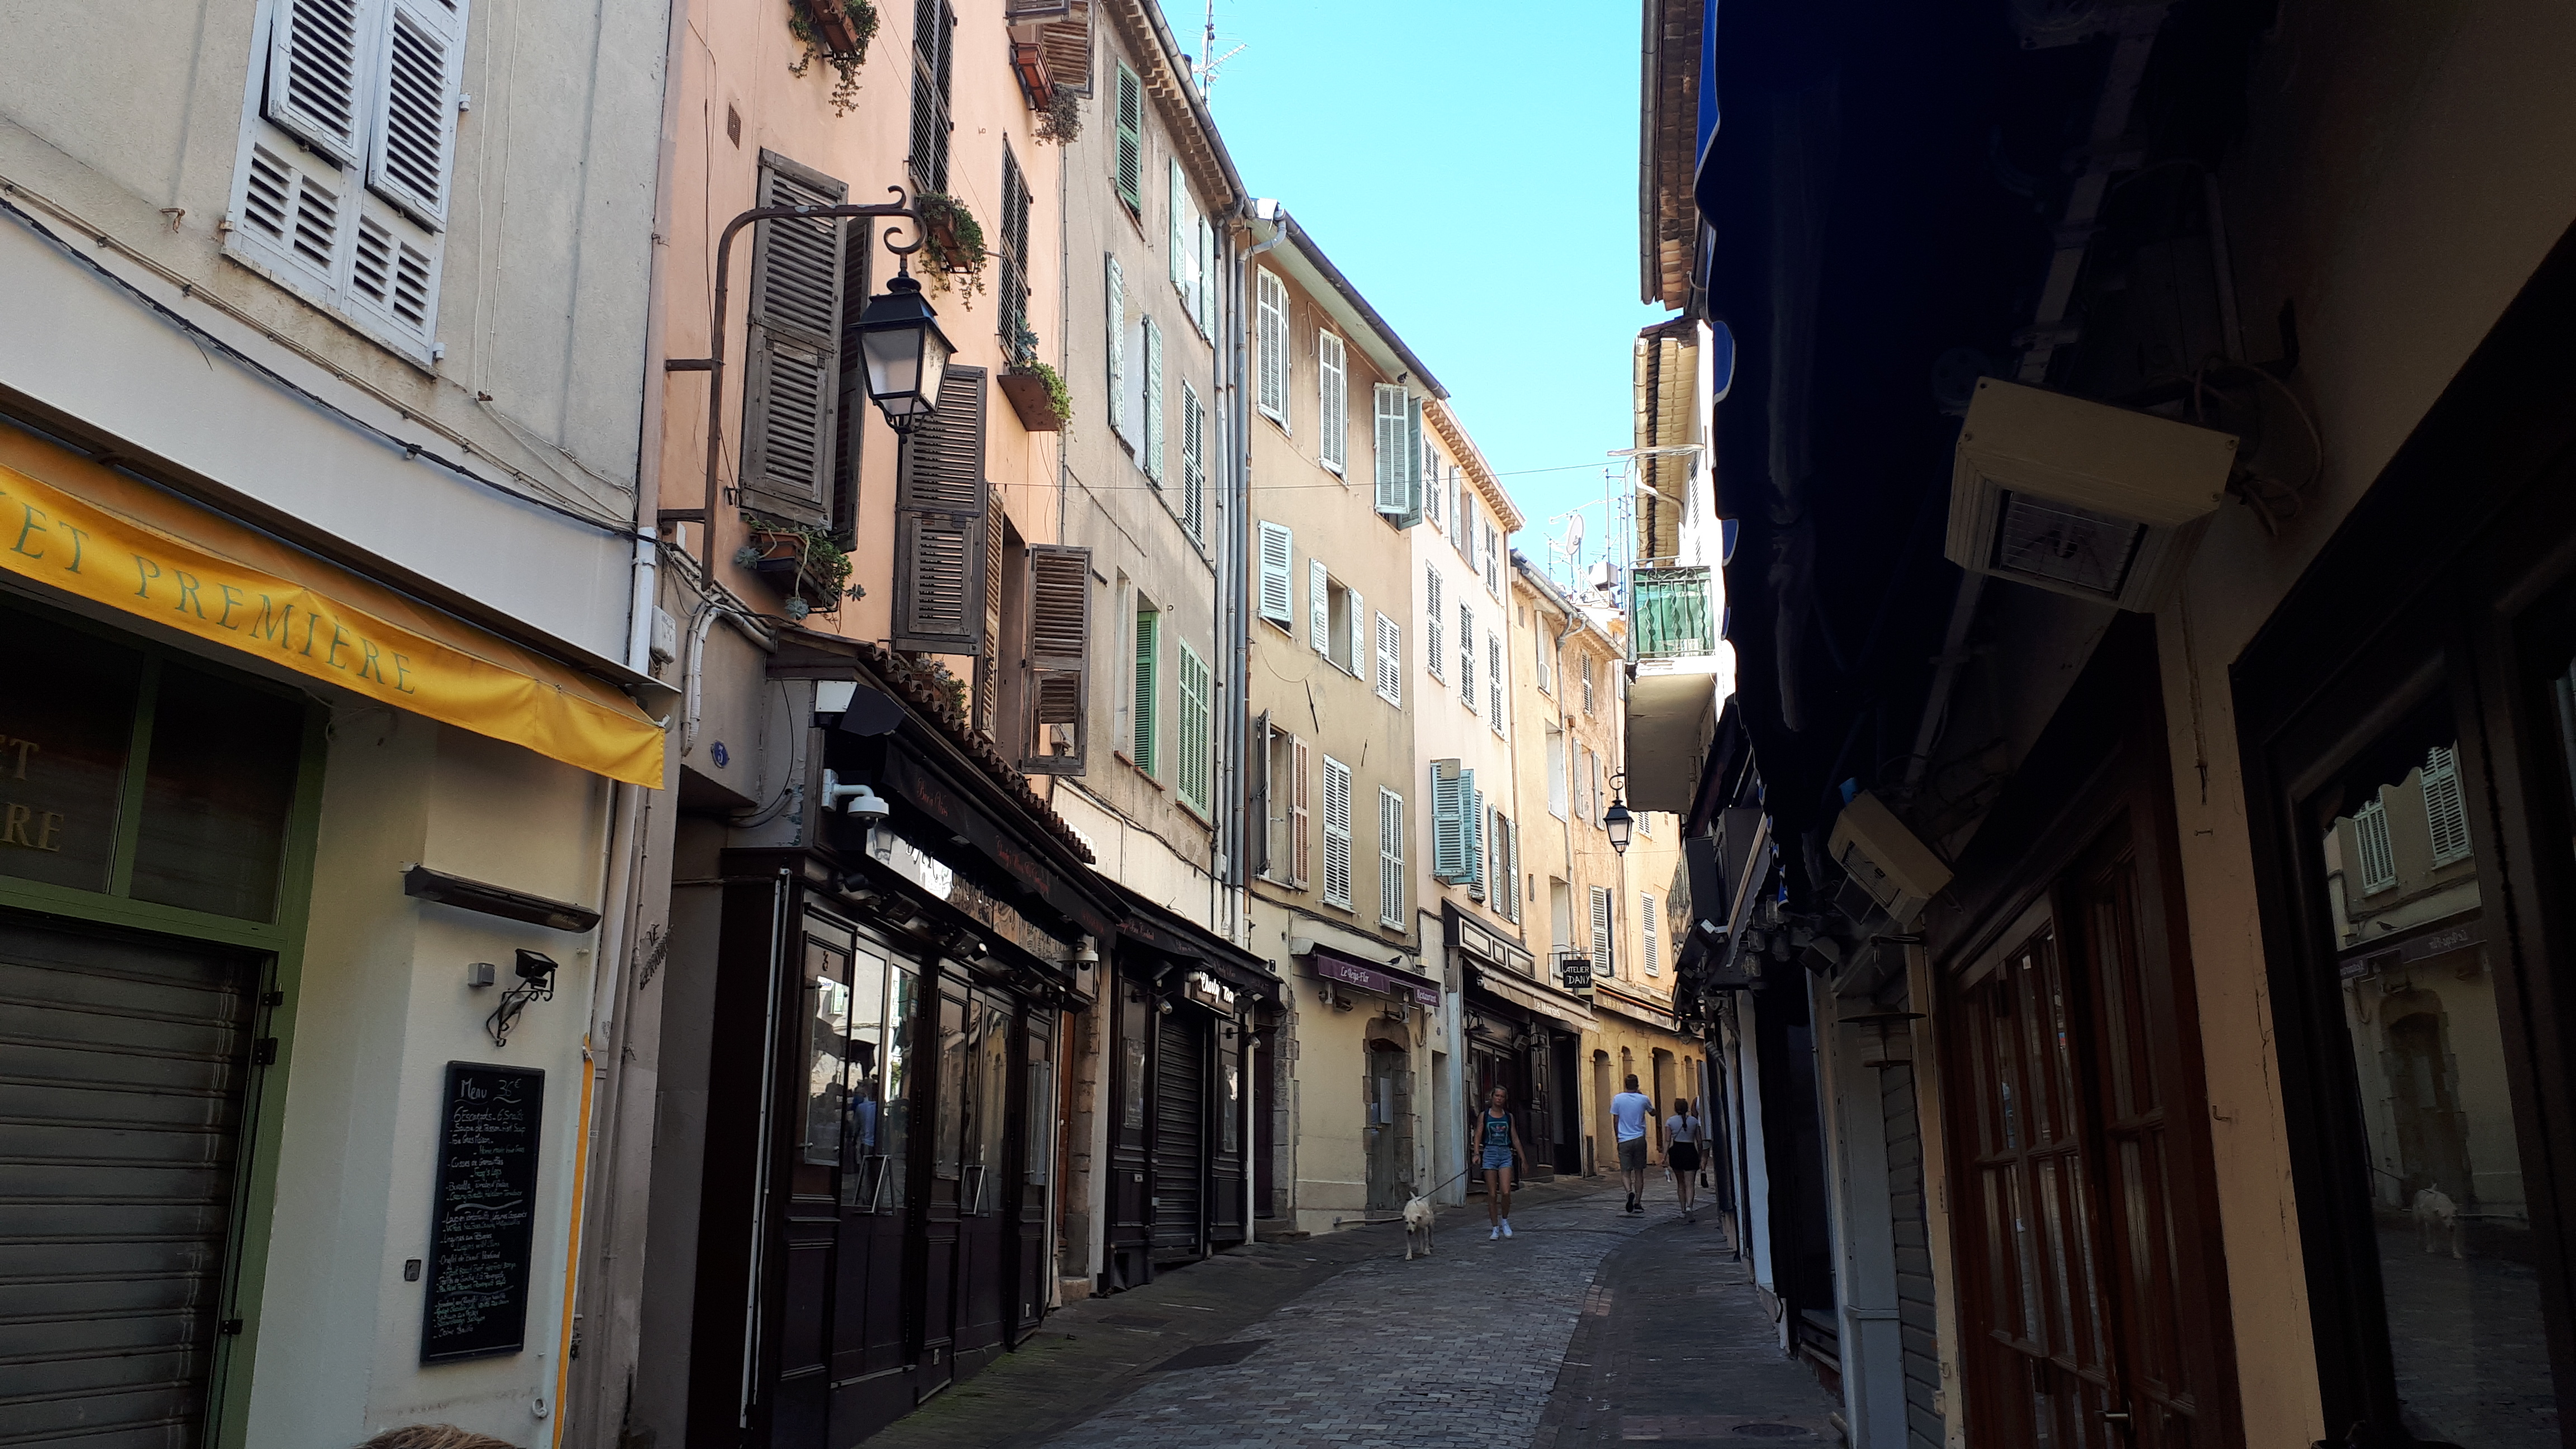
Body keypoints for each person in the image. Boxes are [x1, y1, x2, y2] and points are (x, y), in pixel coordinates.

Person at [1473, 1086, 1531, 1239]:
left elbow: (1515, 1138)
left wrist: (1523, 1159)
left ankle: (1505, 1220)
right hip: (1490, 1153)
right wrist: (1477, 1153)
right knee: (1492, 1194)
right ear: (1492, 1097)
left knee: (1506, 1192)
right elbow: (1478, 1134)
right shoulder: (1484, 1116)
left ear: (1505, 1099)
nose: (1499, 1099)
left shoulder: (1509, 1117)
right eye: (1497, 1096)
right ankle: (1495, 1227)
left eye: (1502, 1096)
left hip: (1505, 1153)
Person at [1611, 1073, 1654, 1214]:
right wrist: (1642, 1098)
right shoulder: (1643, 1099)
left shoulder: (1618, 1099)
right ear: (1637, 1085)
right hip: (1639, 1138)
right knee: (1639, 1172)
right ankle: (1638, 1202)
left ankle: (1629, 1191)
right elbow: (1653, 1113)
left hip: (1624, 1139)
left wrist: (1618, 1137)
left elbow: (1616, 1120)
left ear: (1625, 1085)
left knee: (1625, 1172)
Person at [1666, 1097, 1705, 1221]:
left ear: (1675, 1108)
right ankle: (1690, 1206)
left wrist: (1665, 1156)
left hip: (1677, 1151)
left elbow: (1667, 1141)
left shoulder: (1670, 1121)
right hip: (1690, 1151)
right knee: (1690, 1184)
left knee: (1681, 1183)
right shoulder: (1694, 1121)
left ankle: (1683, 1209)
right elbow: (1699, 1141)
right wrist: (1700, 1155)